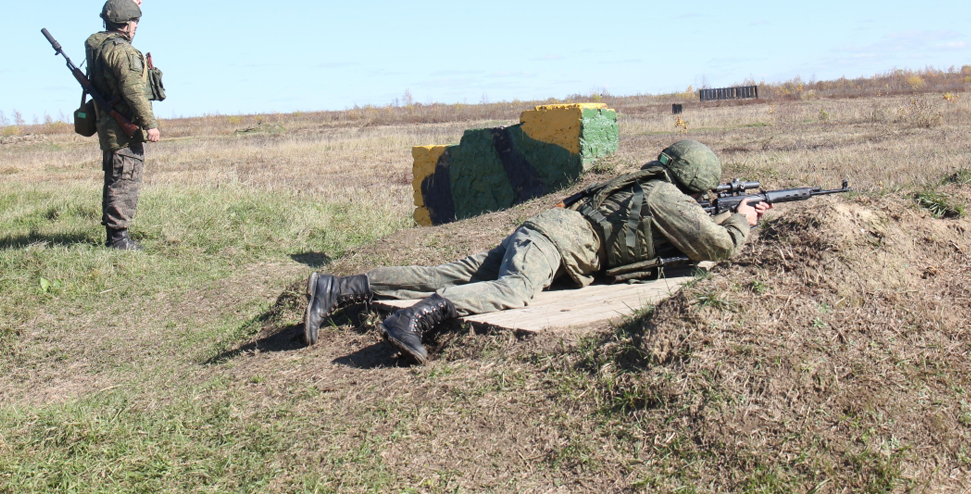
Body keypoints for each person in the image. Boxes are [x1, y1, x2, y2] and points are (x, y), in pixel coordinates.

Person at [303, 139, 771, 363]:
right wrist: (741, 220)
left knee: (448, 270)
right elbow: (718, 246)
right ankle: (414, 318)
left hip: (548, 235)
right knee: (514, 290)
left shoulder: (645, 184)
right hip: (553, 243)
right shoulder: (665, 196)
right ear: (695, 179)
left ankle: (338, 287)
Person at [85, 0, 161, 250]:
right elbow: (133, 92)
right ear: (124, 23)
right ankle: (118, 239)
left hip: (108, 124)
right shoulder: (122, 52)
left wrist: (130, 5)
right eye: (134, 21)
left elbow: (116, 40)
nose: (137, 26)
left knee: (115, 177)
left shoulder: (100, 46)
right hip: (124, 127)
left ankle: (115, 236)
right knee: (125, 180)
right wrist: (149, 124)